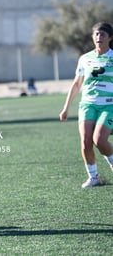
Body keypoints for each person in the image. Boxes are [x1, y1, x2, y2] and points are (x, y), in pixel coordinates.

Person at [59, 21, 113, 188]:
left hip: (108, 105)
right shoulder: (85, 59)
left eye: (102, 34)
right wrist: (66, 108)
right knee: (85, 141)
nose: (99, 37)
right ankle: (93, 177)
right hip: (87, 105)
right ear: (92, 37)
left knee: (100, 140)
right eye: (96, 34)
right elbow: (76, 84)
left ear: (110, 37)